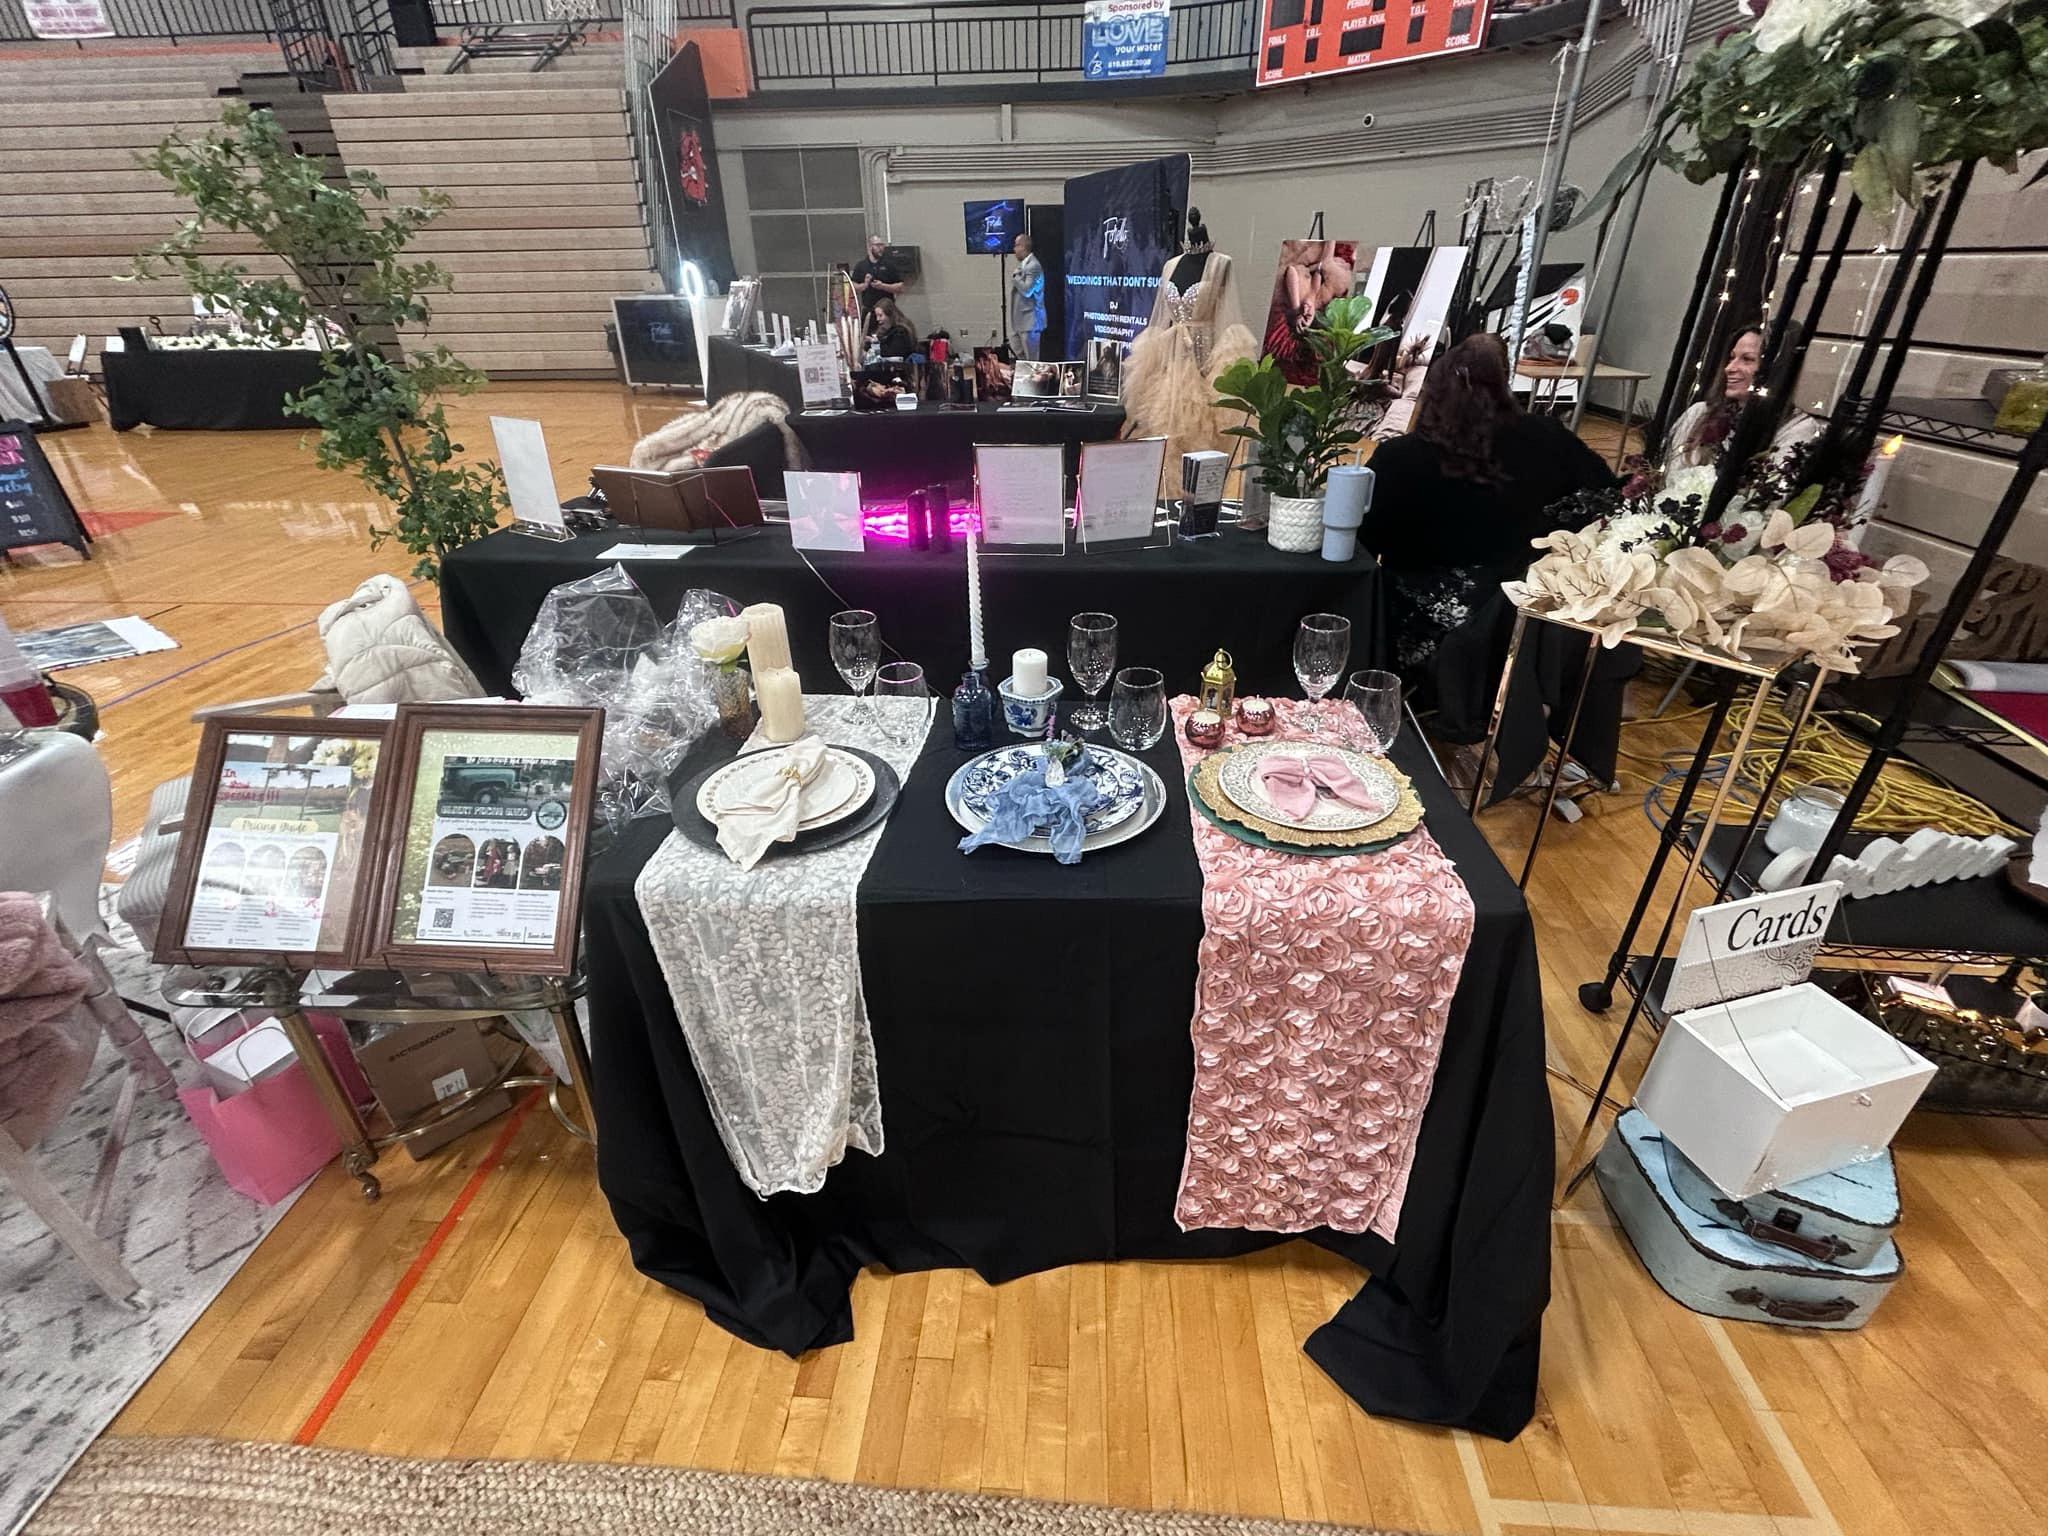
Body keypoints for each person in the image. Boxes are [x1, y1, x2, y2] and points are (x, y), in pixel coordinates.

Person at [1362, 333, 1616, 676]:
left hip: (1418, 622)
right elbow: (1605, 495)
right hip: (1520, 623)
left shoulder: (1401, 458)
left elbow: (1365, 540)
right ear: (1505, 383)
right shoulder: (1550, 438)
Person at [1664, 323, 1820, 475]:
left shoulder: (1798, 428)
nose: (1729, 368)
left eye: (1747, 359)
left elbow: (1775, 485)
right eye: (1731, 358)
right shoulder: (1699, 414)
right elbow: (1670, 475)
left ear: (1777, 369)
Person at [1009, 232, 1045, 360]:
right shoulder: (1023, 265)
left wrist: (1016, 278)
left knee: (1032, 360)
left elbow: (1027, 290)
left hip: (1030, 321)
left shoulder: (1033, 266)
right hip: (1019, 322)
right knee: (1020, 357)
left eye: (1016, 246)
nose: (1014, 249)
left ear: (1023, 247)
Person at [851, 233, 904, 318]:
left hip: (887, 311)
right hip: (869, 310)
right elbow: (853, 286)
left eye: (882, 245)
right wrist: (864, 285)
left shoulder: (889, 264)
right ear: (870, 246)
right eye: (878, 245)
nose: (881, 248)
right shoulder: (861, 266)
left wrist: (883, 286)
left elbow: (900, 287)